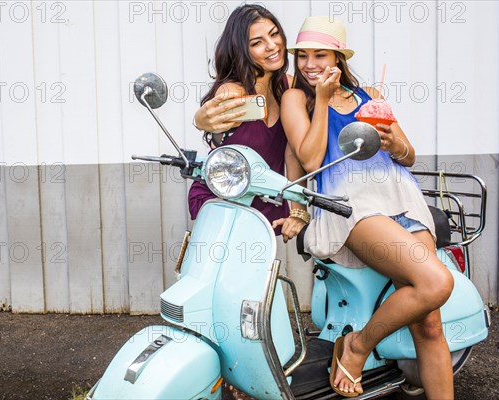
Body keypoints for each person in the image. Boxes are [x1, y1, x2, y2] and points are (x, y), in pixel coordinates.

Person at [280, 17, 454, 398]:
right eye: (303, 56)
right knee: (437, 282)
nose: (309, 64)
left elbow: (408, 156)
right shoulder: (296, 98)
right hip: (352, 206)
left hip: (402, 198)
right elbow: (310, 160)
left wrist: (394, 144)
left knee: (430, 326)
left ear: (339, 58)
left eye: (320, 55)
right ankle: (357, 346)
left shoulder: (368, 94)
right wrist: (323, 100)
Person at [189, 4, 308, 242]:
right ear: (242, 50)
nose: (272, 46)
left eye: (274, 34)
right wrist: (200, 119)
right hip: (223, 200)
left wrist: (299, 208)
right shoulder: (233, 91)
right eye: (257, 43)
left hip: (267, 199)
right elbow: (212, 120)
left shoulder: (290, 86)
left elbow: (294, 152)